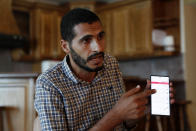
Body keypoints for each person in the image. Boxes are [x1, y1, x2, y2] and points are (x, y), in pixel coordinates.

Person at [34, 8, 174, 131]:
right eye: (86, 40)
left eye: (100, 36)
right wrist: (116, 115)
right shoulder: (49, 84)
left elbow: (123, 124)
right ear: (66, 47)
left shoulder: (110, 63)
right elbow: (117, 117)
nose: (99, 48)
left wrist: (142, 105)